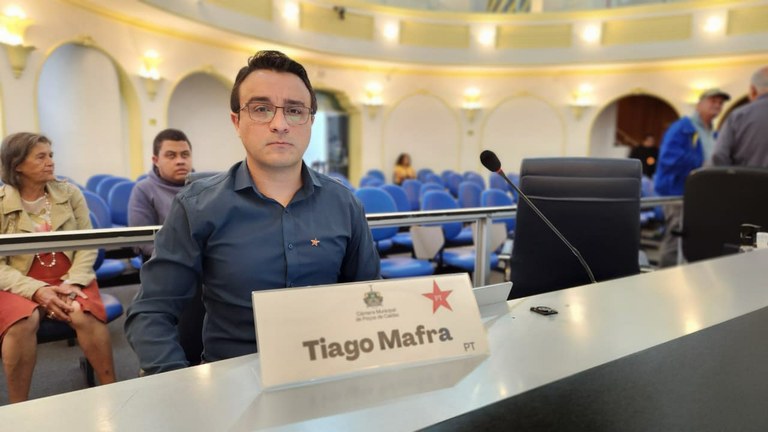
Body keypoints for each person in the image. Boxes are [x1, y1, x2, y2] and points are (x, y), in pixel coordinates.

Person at [125, 50, 381, 374]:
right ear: (237, 121)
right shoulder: (197, 206)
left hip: (329, 371)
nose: (280, 125)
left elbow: (371, 296)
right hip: (232, 381)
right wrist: (179, 384)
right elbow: (150, 311)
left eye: (294, 111)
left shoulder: (344, 204)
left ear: (310, 122)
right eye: (261, 109)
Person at [0, 132, 116, 403]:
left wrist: (74, 282)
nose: (50, 162)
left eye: (51, 155)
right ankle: (18, 407)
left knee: (82, 313)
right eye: (41, 157)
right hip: (18, 281)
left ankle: (112, 390)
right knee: (22, 322)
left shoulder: (70, 193)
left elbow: (88, 244)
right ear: (18, 164)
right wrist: (36, 290)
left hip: (70, 275)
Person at [654, 88, 730, 267]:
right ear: (699, 104)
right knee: (675, 240)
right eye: (713, 101)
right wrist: (702, 163)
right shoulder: (682, 128)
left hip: (700, 194)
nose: (717, 105)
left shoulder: (713, 133)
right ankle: (664, 277)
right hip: (677, 193)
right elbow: (669, 159)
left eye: (720, 103)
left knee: (693, 240)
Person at [128, 128, 193, 259]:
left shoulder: (204, 186)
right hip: (165, 262)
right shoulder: (144, 190)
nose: (180, 161)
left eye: (185, 155)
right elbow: (142, 240)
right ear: (156, 160)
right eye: (171, 156)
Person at [712, 66, 768, 168]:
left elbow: (719, 155)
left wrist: (732, 175)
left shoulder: (738, 116)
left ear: (753, 90)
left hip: (747, 177)